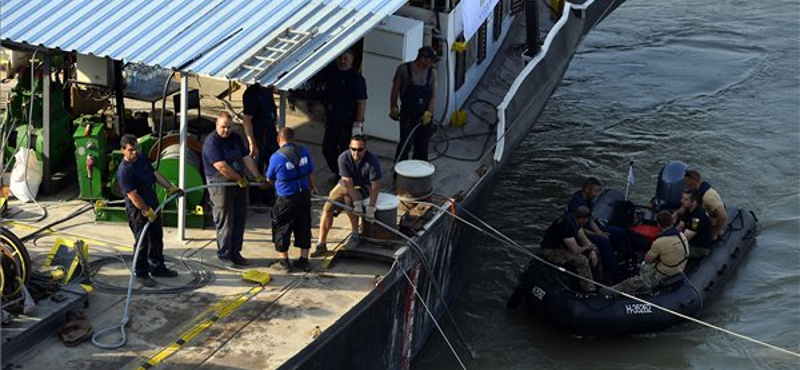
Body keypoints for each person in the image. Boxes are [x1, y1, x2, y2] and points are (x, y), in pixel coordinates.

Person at [117, 134, 184, 287]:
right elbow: (133, 196)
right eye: (131, 150)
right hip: (138, 211)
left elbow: (154, 174)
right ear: (123, 151)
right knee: (142, 241)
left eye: (136, 149)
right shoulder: (124, 171)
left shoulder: (140, 159)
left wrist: (170, 187)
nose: (134, 153)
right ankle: (141, 272)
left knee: (156, 237)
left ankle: (157, 267)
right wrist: (147, 211)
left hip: (152, 203)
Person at [202, 112, 265, 266]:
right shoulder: (212, 143)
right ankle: (224, 256)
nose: (226, 130)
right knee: (225, 220)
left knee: (239, 217)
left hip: (238, 181)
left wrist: (257, 176)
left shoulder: (235, 138)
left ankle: (236, 253)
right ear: (217, 125)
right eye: (223, 127)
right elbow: (221, 167)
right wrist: (239, 178)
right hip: (221, 184)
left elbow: (246, 157)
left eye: (229, 127)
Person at [314, 135, 381, 256]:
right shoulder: (343, 158)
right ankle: (321, 243)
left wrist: (371, 207)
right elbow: (347, 182)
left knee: (349, 201)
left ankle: (355, 234)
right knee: (328, 208)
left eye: (360, 150)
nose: (356, 152)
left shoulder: (372, 161)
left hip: (364, 186)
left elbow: (375, 186)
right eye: (353, 149)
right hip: (346, 184)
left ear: (365, 149)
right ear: (349, 148)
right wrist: (357, 203)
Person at [266, 127, 318, 272]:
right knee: (304, 224)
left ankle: (284, 261)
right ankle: (303, 260)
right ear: (293, 138)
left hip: (287, 198)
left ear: (279, 139)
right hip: (304, 195)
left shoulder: (277, 157)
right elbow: (311, 172)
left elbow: (270, 177)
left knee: (282, 226)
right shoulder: (304, 151)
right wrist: (314, 187)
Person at [566, 177, 630, 283]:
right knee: (604, 241)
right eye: (595, 191)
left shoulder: (588, 200)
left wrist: (599, 232)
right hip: (580, 231)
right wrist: (598, 235)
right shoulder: (576, 204)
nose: (597, 194)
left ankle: (627, 258)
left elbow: (590, 219)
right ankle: (614, 273)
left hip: (588, 226)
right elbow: (578, 229)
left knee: (619, 231)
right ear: (587, 189)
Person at [612, 211, 688, 294]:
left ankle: (608, 291)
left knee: (631, 282)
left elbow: (648, 260)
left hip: (663, 274)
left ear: (658, 225)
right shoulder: (682, 235)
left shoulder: (659, 242)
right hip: (680, 268)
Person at [322, 49, 367, 180]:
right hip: (333, 121)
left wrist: (357, 125)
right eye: (340, 58)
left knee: (348, 152)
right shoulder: (332, 74)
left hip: (349, 123)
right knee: (328, 149)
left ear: (352, 59)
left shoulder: (357, 79)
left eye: (345, 58)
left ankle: (349, 177)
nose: (342, 61)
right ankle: (338, 172)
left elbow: (361, 102)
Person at [390, 46, 438, 162]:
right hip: (408, 114)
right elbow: (395, 89)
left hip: (424, 116)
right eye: (430, 60)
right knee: (405, 145)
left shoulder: (432, 73)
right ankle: (399, 174)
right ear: (423, 58)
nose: (432, 63)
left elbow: (433, 95)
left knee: (422, 146)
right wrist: (393, 106)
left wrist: (429, 113)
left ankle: (419, 175)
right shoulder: (403, 69)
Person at [540, 206, 599, 293]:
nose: (588, 221)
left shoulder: (576, 220)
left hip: (563, 247)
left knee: (596, 251)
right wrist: (587, 248)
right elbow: (575, 250)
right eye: (587, 219)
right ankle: (589, 289)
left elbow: (583, 239)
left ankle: (597, 280)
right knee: (581, 260)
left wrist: (592, 249)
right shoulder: (567, 225)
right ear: (582, 219)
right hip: (551, 251)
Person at [242, 83, 279, 206]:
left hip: (271, 135)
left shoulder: (268, 89)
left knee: (273, 165)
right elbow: (246, 120)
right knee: (256, 168)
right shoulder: (251, 94)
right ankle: (255, 198)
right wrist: (252, 142)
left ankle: (269, 195)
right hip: (258, 137)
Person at [683, 170, 727, 241]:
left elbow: (723, 216)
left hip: (710, 224)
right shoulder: (698, 191)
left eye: (687, 183)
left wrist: (715, 234)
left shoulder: (708, 197)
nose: (686, 186)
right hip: (703, 218)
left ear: (693, 182)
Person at [675, 189, 713, 258]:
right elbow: (680, 226)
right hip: (691, 241)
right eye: (682, 198)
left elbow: (686, 237)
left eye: (686, 199)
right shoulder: (688, 209)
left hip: (698, 248)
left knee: (672, 250)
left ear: (694, 202)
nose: (682, 201)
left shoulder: (697, 218)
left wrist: (669, 244)